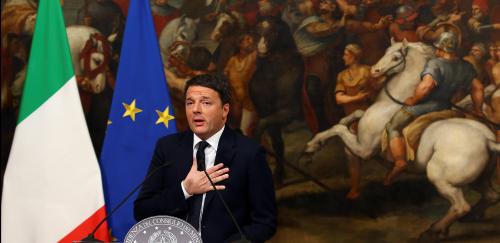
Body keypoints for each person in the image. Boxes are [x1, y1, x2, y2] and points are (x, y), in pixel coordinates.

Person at [134, 74, 277, 243]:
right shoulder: (168, 148)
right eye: (190, 102)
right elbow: (142, 211)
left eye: (206, 102)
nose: (196, 109)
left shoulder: (249, 153)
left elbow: (265, 222)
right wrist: (185, 189)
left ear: (225, 110)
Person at [384, 32, 485, 185]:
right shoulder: (466, 66)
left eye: (437, 47)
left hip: (426, 107)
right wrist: (478, 109)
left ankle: (399, 161)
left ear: (442, 48)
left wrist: (414, 99)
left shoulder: (435, 64)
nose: (436, 50)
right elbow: (478, 88)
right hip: (447, 106)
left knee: (393, 126)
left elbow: (426, 86)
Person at [335, 44, 377, 199]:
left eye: (346, 54)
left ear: (354, 56)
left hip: (369, 118)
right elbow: (339, 99)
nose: (343, 57)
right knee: (351, 155)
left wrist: (370, 92)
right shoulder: (342, 75)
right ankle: (355, 189)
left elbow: (375, 93)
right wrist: (356, 98)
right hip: (351, 121)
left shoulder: (367, 71)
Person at [224, 32, 258, 136]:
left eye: (251, 39)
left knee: (245, 131)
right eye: (247, 40)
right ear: (240, 44)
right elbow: (225, 76)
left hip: (248, 101)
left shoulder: (253, 56)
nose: (251, 42)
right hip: (234, 99)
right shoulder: (232, 60)